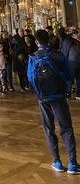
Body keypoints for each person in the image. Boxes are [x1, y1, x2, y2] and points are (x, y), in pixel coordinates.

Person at [28, 29, 80, 174]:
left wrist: (41, 92)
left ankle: (57, 161)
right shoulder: (58, 55)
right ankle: (72, 163)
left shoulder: (32, 58)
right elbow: (69, 76)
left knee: (48, 128)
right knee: (66, 128)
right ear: (49, 40)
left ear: (36, 42)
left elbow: (31, 78)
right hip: (59, 96)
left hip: (43, 98)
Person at [60, 26, 80, 100]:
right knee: (69, 78)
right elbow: (61, 31)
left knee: (79, 79)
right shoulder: (68, 39)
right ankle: (68, 93)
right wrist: (69, 28)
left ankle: (79, 94)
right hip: (71, 62)